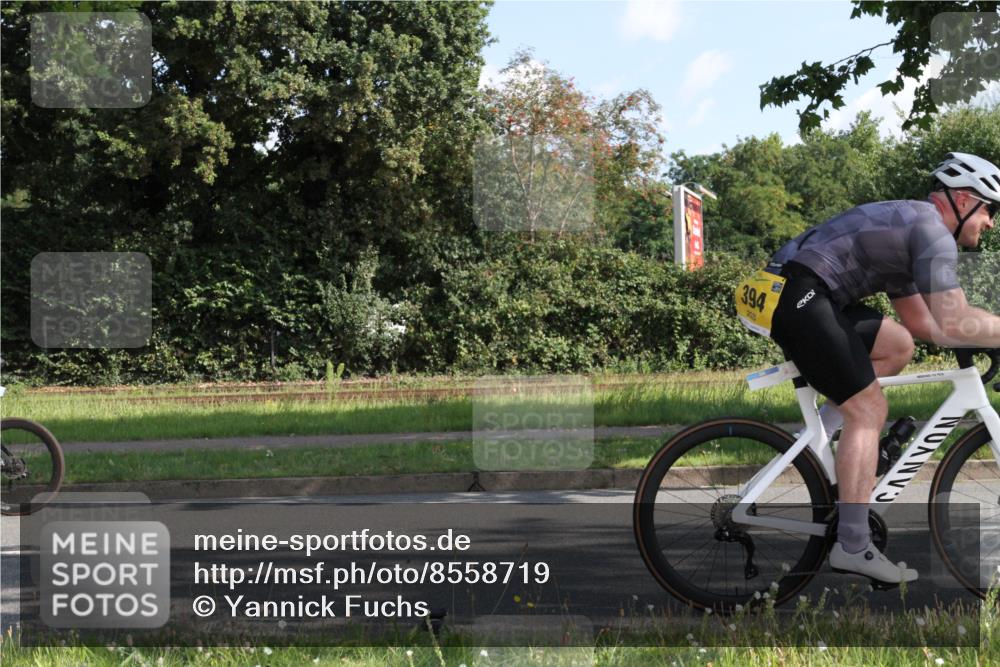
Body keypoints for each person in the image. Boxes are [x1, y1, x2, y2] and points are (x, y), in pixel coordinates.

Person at [761, 152, 1000, 585]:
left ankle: (825, 450)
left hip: (804, 292)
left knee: (897, 345)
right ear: (963, 199)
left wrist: (978, 338)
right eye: (989, 210)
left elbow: (925, 326)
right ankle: (853, 545)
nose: (991, 222)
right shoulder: (932, 233)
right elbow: (953, 319)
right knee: (868, 410)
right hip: (797, 294)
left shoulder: (915, 227)